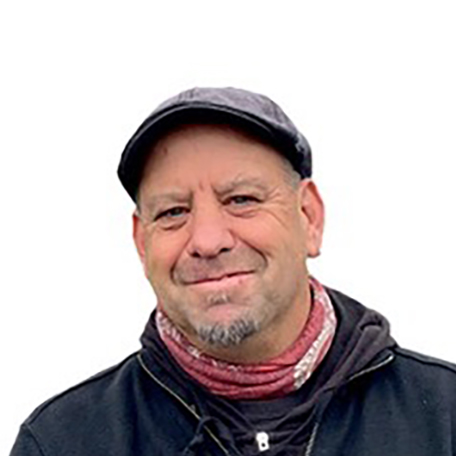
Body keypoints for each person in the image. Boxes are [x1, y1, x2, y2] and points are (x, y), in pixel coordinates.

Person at [10, 87, 456, 456]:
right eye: (173, 212)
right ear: (142, 243)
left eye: (241, 200)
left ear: (309, 218)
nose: (207, 240)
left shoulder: (444, 419)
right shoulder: (62, 442)